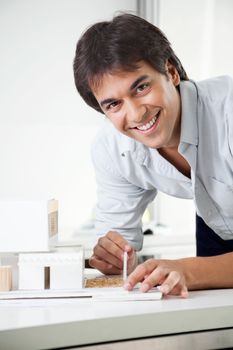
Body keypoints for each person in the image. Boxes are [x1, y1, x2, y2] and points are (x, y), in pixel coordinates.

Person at [73, 13, 233, 297]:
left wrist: (189, 269)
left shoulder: (228, 110)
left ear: (170, 72)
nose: (135, 114)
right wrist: (114, 256)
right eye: (113, 104)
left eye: (141, 87)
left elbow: (194, 271)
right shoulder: (113, 148)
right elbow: (119, 244)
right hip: (217, 225)